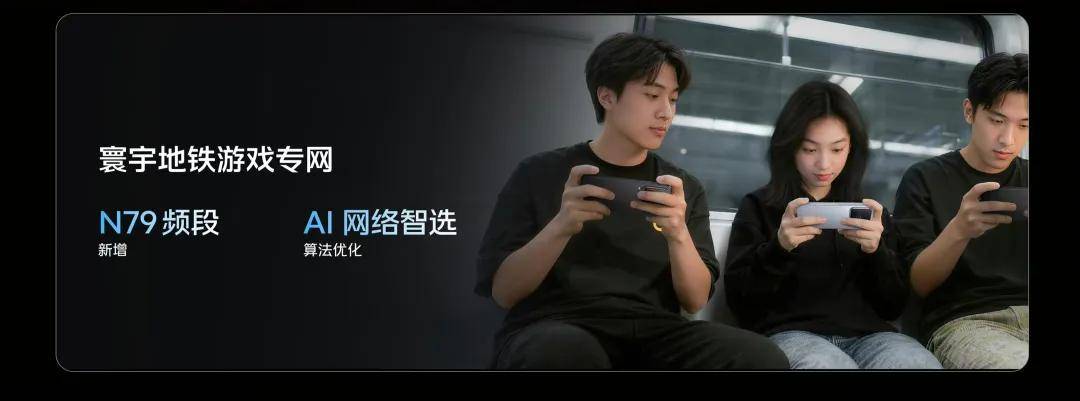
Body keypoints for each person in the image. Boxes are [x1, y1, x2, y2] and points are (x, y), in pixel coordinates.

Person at [475, 32, 788, 369]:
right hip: (558, 324)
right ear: (607, 96)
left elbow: (694, 300)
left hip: (654, 334)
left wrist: (678, 234)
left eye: (673, 99)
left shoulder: (682, 187)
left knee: (762, 358)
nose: (666, 112)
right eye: (652, 95)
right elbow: (504, 293)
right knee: (564, 352)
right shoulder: (539, 173)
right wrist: (561, 226)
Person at [724, 80, 942, 369]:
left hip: (872, 337)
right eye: (810, 150)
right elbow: (741, 306)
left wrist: (876, 252)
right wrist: (779, 248)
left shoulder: (869, 211)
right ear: (790, 147)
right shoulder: (760, 206)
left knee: (916, 363)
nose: (824, 164)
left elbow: (893, 306)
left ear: (852, 148)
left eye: (837, 149)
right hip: (792, 335)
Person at [893, 53, 1029, 369]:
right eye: (996, 121)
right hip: (968, 322)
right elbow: (917, 284)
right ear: (969, 111)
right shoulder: (924, 178)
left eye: (1024, 125)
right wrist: (959, 231)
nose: (1008, 139)